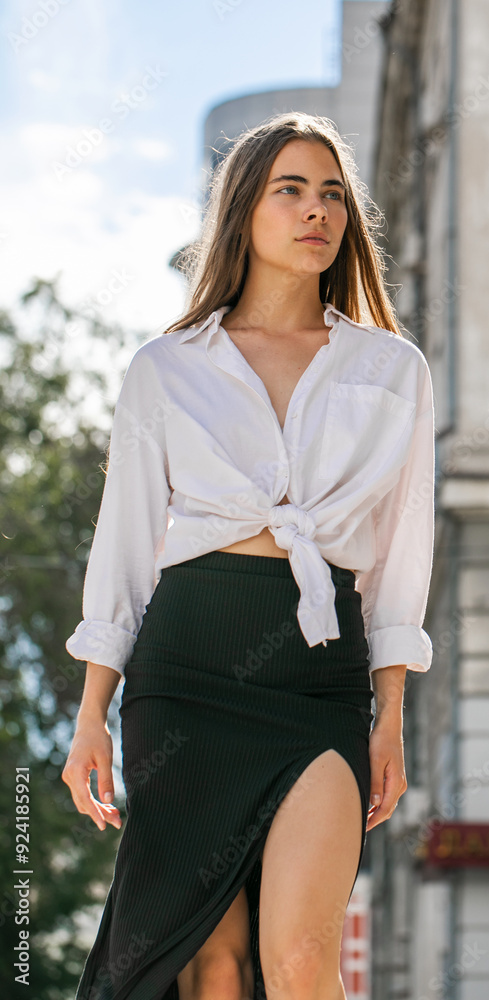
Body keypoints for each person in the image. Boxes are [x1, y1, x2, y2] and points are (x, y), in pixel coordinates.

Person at [62, 111, 435, 1000]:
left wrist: (389, 716)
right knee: (210, 966)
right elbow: (125, 544)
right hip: (186, 670)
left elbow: (397, 561)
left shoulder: (391, 370)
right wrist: (89, 718)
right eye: (291, 190)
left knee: (304, 959)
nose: (317, 211)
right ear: (244, 213)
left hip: (318, 678)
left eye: (333, 195)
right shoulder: (167, 367)